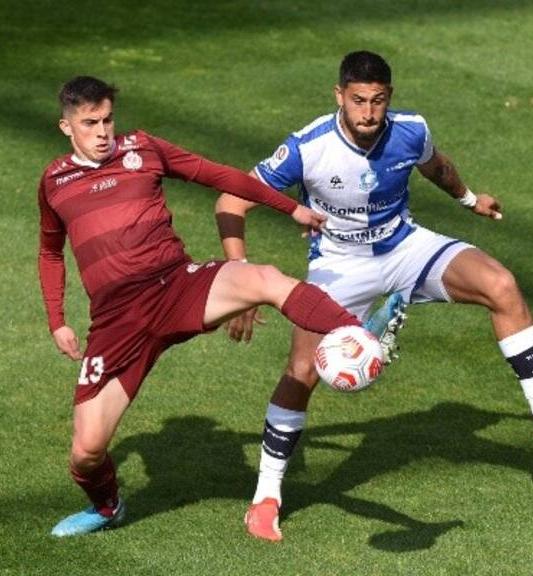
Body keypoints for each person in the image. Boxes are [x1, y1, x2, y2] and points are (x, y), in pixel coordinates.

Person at [214, 51, 533, 542]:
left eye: (378, 101)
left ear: (390, 98)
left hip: (404, 244)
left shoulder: (410, 130)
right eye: (358, 100)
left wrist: (470, 199)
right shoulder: (307, 147)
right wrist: (242, 276)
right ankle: (266, 497)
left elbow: (436, 166)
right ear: (339, 95)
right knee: (300, 371)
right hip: (340, 265)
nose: (368, 112)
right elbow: (231, 200)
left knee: (501, 284)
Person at [37, 75, 389, 537]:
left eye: (107, 120)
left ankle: (357, 334)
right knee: (85, 452)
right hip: (116, 321)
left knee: (264, 278)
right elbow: (49, 251)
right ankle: (107, 509)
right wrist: (57, 320)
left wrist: (292, 209)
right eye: (90, 123)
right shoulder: (55, 182)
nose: (103, 132)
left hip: (175, 286)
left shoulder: (144, 149)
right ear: (68, 128)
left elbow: (218, 175)